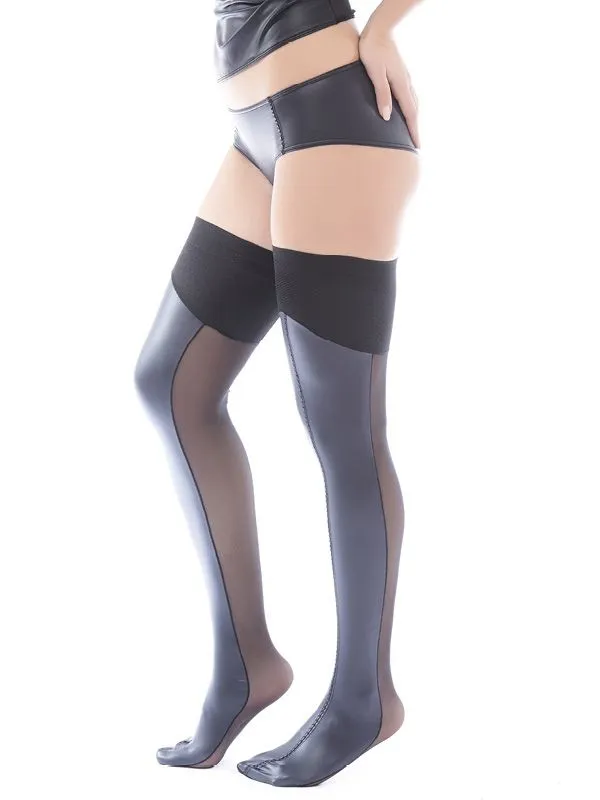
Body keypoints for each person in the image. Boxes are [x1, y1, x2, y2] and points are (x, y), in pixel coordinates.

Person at [133, 0, 422, 787]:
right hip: (257, 132)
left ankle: (363, 698)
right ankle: (246, 663)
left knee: (342, 429)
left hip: (332, 119)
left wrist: (384, 28)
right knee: (170, 382)